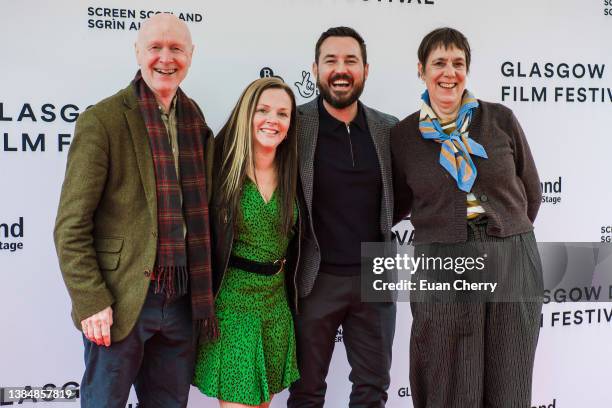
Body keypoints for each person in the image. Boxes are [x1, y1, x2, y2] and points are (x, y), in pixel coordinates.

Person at [53, 14, 215, 408]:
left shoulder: (196, 123)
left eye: (176, 48)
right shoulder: (104, 120)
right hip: (121, 301)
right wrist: (91, 300)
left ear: (190, 55)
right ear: (138, 52)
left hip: (180, 301)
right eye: (155, 47)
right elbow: (70, 226)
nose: (165, 57)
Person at [391, 27, 544, 408]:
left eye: (458, 63)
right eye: (439, 62)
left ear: (467, 70)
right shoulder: (404, 136)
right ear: (422, 69)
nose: (449, 72)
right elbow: (396, 202)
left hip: (511, 253)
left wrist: (507, 234)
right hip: (443, 258)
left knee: (509, 374)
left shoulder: (500, 120)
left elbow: (531, 191)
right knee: (445, 373)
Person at [287, 27, 398, 408]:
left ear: (365, 69)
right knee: (306, 391)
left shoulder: (389, 128)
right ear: (316, 69)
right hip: (316, 276)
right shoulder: (294, 126)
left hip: (376, 272)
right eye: (331, 60)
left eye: (350, 61)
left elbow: (405, 197)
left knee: (372, 389)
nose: (341, 69)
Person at [193, 77, 301, 408]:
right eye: (263, 110)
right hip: (232, 308)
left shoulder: (294, 172)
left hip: (275, 306)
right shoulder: (220, 168)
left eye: (283, 113)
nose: (273, 120)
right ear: (246, 114)